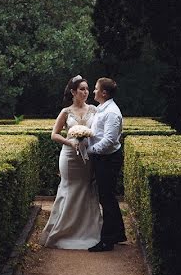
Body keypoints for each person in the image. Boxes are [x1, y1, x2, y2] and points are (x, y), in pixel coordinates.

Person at [39, 75, 104, 249]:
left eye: (87, 89)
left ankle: (88, 231)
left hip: (88, 156)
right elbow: (54, 134)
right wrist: (70, 142)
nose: (86, 92)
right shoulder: (65, 112)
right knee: (69, 187)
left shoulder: (94, 110)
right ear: (73, 92)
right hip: (69, 156)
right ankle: (63, 230)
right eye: (82, 89)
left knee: (87, 187)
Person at [86, 77, 127, 252]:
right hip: (103, 157)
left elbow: (109, 140)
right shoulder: (103, 109)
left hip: (108, 159)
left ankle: (107, 240)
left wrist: (91, 151)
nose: (94, 91)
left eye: (96, 89)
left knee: (106, 198)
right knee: (108, 197)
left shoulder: (111, 112)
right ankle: (118, 234)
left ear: (104, 93)